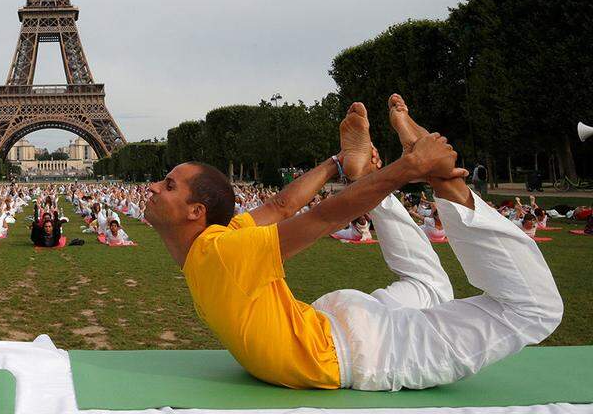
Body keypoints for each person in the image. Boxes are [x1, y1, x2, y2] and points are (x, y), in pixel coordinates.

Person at [145, 94, 562, 391]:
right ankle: (375, 174)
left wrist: (407, 168)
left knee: (534, 310)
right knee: (437, 288)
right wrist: (337, 164)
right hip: (340, 328)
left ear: (196, 211)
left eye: (167, 185)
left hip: (352, 346)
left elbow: (321, 215)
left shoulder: (219, 251)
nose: (152, 187)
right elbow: (282, 205)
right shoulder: (220, 241)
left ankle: (444, 182)